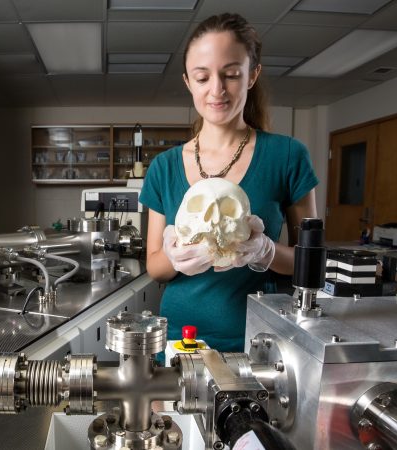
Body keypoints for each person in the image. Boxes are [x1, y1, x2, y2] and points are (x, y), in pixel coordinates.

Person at [139, 12, 318, 353]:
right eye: (202, 77)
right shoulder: (163, 167)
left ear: (253, 75)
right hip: (180, 338)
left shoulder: (288, 156)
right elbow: (155, 267)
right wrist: (175, 258)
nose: (217, 90)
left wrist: (266, 251)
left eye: (231, 74)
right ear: (188, 82)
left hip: (260, 341)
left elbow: (310, 266)